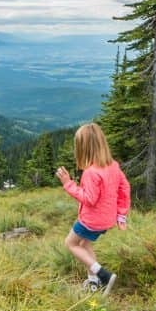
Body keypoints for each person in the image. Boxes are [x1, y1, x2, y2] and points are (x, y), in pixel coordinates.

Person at [55, 122, 130, 295]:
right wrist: (121, 214)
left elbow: (89, 199)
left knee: (71, 243)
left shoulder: (91, 172)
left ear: (83, 148)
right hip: (106, 220)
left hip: (91, 220)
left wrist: (68, 184)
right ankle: (93, 282)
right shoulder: (113, 165)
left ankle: (103, 274)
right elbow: (124, 187)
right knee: (84, 244)